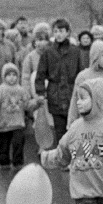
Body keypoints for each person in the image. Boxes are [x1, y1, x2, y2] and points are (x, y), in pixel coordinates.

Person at [34, 18, 85, 148]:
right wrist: (40, 92)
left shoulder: (76, 51)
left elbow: (82, 74)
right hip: (54, 93)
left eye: (61, 31)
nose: (58, 34)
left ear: (68, 32)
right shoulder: (48, 52)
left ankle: (74, 155)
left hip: (72, 93)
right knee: (59, 128)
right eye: (55, 31)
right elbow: (40, 74)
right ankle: (62, 156)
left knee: (74, 126)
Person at [0, 63, 41, 169]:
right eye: (9, 75)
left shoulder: (21, 90)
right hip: (4, 124)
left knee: (18, 143)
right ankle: (4, 162)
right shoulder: (0, 89)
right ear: (4, 76)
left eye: (14, 75)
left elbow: (27, 104)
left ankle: (18, 162)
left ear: (18, 76)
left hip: (18, 123)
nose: (12, 77)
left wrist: (36, 103)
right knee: (4, 145)